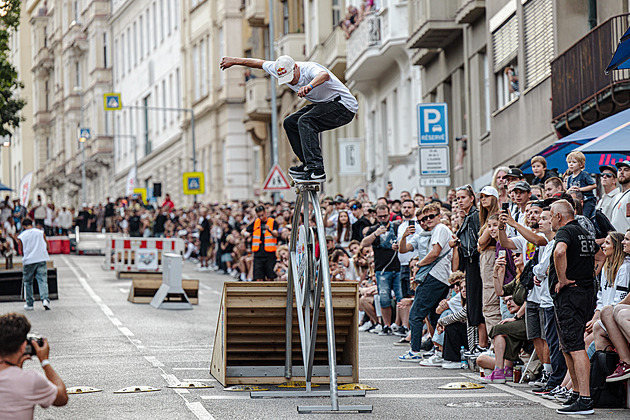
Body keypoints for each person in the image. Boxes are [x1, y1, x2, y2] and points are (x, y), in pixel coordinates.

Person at [220, 55, 357, 181]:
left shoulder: (308, 69)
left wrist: (309, 86)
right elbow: (258, 63)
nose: (292, 81)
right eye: (287, 79)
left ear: (296, 67)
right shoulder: (279, 68)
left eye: (292, 76)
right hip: (325, 104)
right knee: (290, 122)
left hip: (344, 106)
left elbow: (324, 75)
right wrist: (234, 61)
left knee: (306, 121)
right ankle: (306, 164)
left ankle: (317, 169)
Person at [548, 199, 597, 415]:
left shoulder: (565, 231)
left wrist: (563, 279)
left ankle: (585, 399)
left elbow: (559, 252)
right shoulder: (584, 232)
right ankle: (577, 393)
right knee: (568, 346)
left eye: (550, 215)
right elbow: (601, 253)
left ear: (559, 216)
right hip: (584, 293)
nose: (550, 220)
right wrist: (591, 274)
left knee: (575, 347)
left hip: (570, 296)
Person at [0, 313, 68, 419]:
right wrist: (45, 362)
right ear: (23, 346)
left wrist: (17, 365)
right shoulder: (30, 380)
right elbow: (62, 398)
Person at [361, 204, 401, 335]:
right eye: (380, 216)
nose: (383, 218)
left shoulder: (396, 226)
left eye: (385, 216)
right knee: (384, 298)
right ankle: (387, 325)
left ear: (389, 214)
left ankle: (400, 325)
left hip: (398, 266)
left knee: (401, 298)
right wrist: (375, 234)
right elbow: (364, 243)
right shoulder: (373, 229)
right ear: (376, 216)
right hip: (382, 269)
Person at [17, 219, 50, 311]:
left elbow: (21, 249)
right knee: (42, 280)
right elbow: (46, 243)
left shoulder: (22, 236)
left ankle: (30, 303)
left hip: (29, 260)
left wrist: (25, 256)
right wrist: (45, 250)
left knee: (28, 282)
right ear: (32, 224)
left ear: (23, 226)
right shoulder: (40, 232)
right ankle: (45, 300)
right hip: (41, 258)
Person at [243, 206, 279, 281]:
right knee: (258, 277)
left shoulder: (272, 222)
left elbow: (276, 234)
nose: (261, 217)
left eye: (262, 215)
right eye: (259, 216)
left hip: (270, 254)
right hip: (258, 255)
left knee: (270, 277)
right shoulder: (256, 222)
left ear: (265, 212)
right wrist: (246, 234)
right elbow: (244, 230)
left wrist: (269, 230)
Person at [565, 151, 597, 219]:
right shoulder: (569, 178)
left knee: (585, 216)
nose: (571, 164)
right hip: (575, 202)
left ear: (581, 164)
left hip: (587, 200)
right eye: (569, 162)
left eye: (574, 162)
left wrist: (580, 189)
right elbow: (567, 190)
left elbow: (594, 185)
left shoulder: (584, 175)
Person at [609, 160, 630, 233]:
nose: (622, 172)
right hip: (617, 240)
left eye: (626, 170)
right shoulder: (617, 196)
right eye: (619, 170)